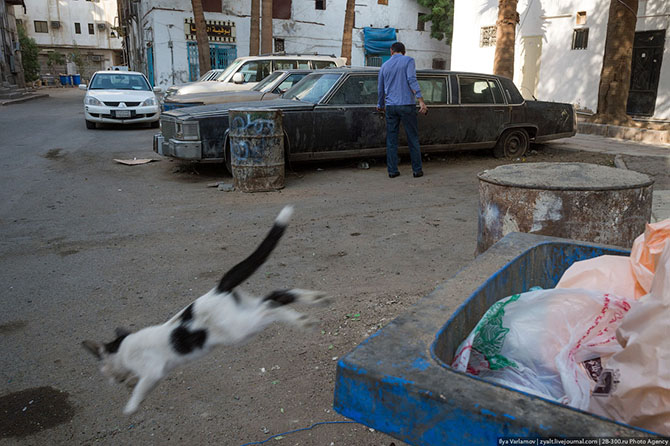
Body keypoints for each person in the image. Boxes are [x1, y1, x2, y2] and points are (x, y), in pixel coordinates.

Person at [377, 41, 428, 178]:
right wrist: (421, 100)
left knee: (392, 140)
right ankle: (417, 170)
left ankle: (392, 171)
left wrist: (380, 105)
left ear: (391, 51)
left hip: (391, 107)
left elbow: (380, 88)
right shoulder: (408, 61)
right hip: (407, 105)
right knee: (412, 138)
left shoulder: (384, 66)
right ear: (404, 51)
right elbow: (411, 79)